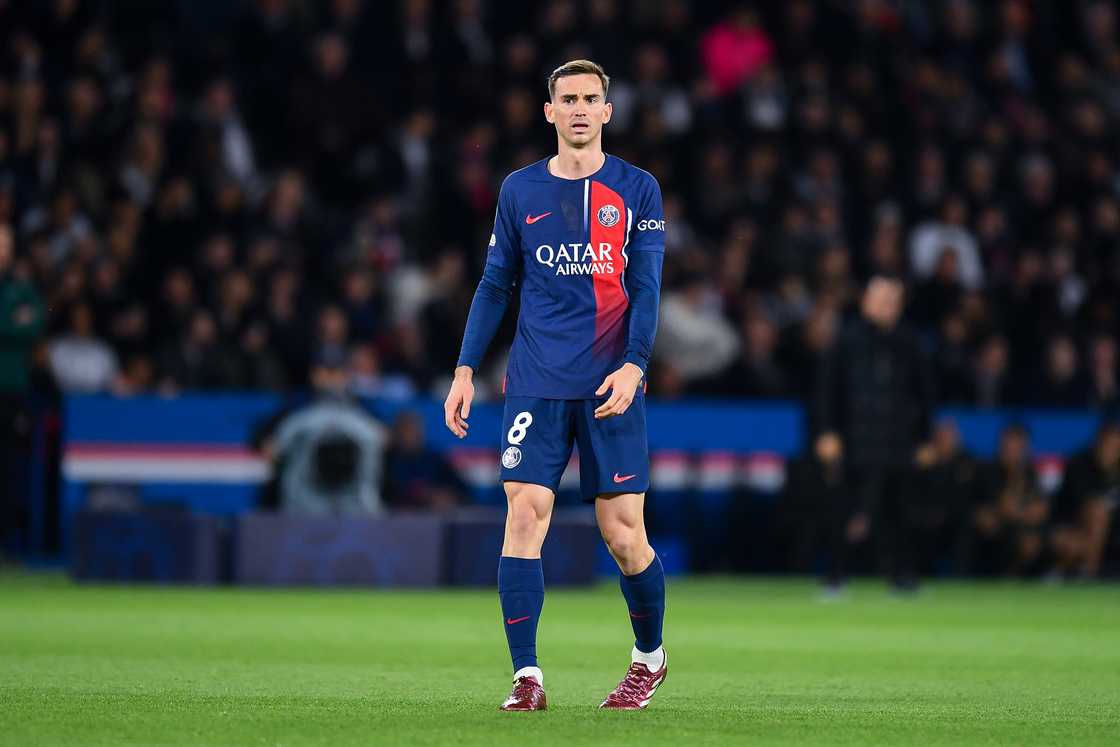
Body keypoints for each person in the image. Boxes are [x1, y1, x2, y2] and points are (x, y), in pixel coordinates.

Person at [443, 60, 667, 711]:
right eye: (566, 98)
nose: (577, 108)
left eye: (589, 98)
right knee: (524, 515)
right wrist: (463, 369)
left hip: (611, 385)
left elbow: (647, 287)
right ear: (549, 112)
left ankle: (648, 659)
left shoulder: (638, 188)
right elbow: (494, 285)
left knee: (624, 535)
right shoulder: (518, 191)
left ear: (606, 110)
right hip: (536, 382)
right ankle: (528, 676)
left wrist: (635, 363)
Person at [814, 275, 935, 592]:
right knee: (844, 508)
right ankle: (836, 575)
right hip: (854, 438)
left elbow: (925, 395)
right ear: (866, 302)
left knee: (900, 510)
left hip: (898, 439)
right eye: (880, 300)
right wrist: (826, 431)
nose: (886, 307)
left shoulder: (910, 342)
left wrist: (925, 439)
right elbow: (827, 390)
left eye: (892, 301)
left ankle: (903, 574)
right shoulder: (846, 340)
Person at [262, 350, 387, 516]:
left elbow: (384, 436)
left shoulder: (361, 406)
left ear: (346, 375)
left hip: (352, 497)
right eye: (325, 371)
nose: (330, 379)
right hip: (306, 498)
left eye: (336, 372)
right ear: (313, 374)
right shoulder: (296, 404)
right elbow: (270, 443)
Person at [1049, 422, 1120, 578]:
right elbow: (1086, 507)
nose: (1112, 451)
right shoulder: (1079, 464)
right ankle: (1087, 575)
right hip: (1069, 527)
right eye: (1109, 445)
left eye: (1117, 447)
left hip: (1110, 533)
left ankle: (1063, 574)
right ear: (1098, 443)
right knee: (1098, 512)